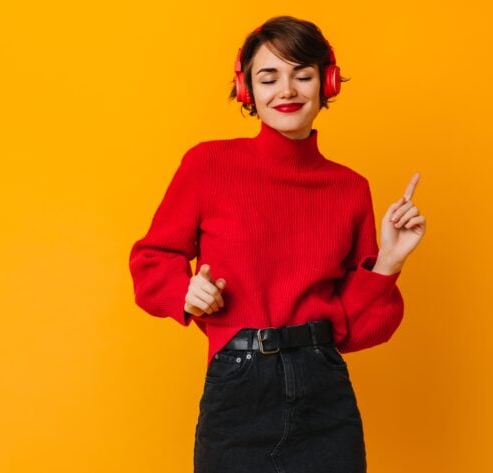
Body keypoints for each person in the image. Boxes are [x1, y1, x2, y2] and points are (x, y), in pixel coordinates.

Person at [128, 15, 426, 473]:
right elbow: (152, 258)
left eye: (302, 75)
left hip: (323, 387)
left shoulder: (348, 189)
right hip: (237, 381)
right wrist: (184, 292)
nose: (286, 90)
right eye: (268, 78)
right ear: (247, 89)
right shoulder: (208, 164)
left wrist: (388, 261)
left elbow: (358, 330)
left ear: (326, 84)